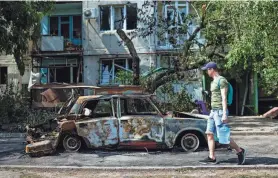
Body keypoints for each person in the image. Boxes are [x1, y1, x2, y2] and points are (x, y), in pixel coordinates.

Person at [199, 61, 246, 165]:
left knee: (224, 137)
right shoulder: (212, 82)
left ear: (212, 69)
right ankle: (212, 157)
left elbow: (224, 97)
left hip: (220, 111)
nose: (207, 72)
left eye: (207, 69)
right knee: (209, 134)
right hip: (213, 111)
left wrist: (224, 113)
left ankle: (239, 151)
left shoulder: (222, 80)